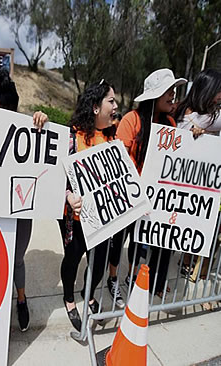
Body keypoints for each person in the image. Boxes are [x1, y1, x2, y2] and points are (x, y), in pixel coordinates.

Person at [113, 68, 187, 298]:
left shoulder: (171, 123)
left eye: (174, 89)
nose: (173, 94)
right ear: (155, 94)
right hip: (129, 196)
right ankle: (112, 278)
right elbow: (121, 161)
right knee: (119, 241)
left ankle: (132, 275)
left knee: (139, 242)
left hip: (153, 199)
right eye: (169, 90)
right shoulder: (131, 120)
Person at [0, 67, 46, 332]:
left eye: (3, 110)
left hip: (21, 209)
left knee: (17, 259)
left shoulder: (30, 128)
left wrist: (42, 123)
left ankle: (21, 300)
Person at [59, 79, 118, 331]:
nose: (116, 106)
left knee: (101, 260)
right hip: (74, 217)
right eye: (111, 101)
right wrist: (68, 196)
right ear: (96, 107)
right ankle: (70, 298)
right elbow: (53, 174)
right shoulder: (70, 135)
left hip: (103, 217)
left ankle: (89, 293)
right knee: (73, 258)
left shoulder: (111, 138)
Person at [175, 69, 221, 277]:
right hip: (181, 181)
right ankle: (185, 262)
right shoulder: (202, 117)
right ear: (208, 90)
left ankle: (187, 262)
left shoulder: (203, 116)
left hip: (191, 182)